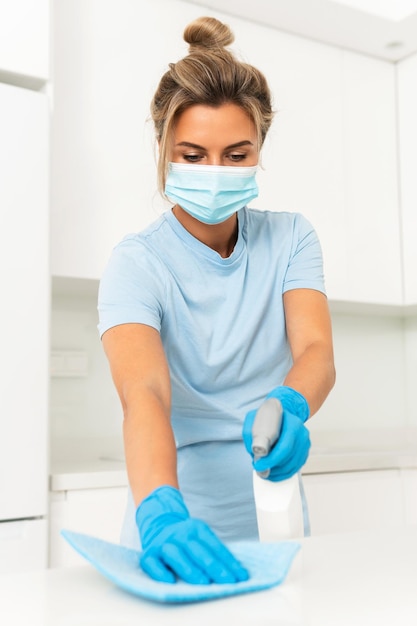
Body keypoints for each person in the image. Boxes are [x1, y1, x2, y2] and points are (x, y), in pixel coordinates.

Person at [98, 16, 335, 586]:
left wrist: (291, 403)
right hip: (175, 509)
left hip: (273, 508)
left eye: (235, 155)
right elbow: (145, 393)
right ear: (163, 148)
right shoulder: (137, 262)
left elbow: (316, 352)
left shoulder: (292, 238)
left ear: (259, 150)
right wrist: (159, 510)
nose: (214, 173)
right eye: (193, 154)